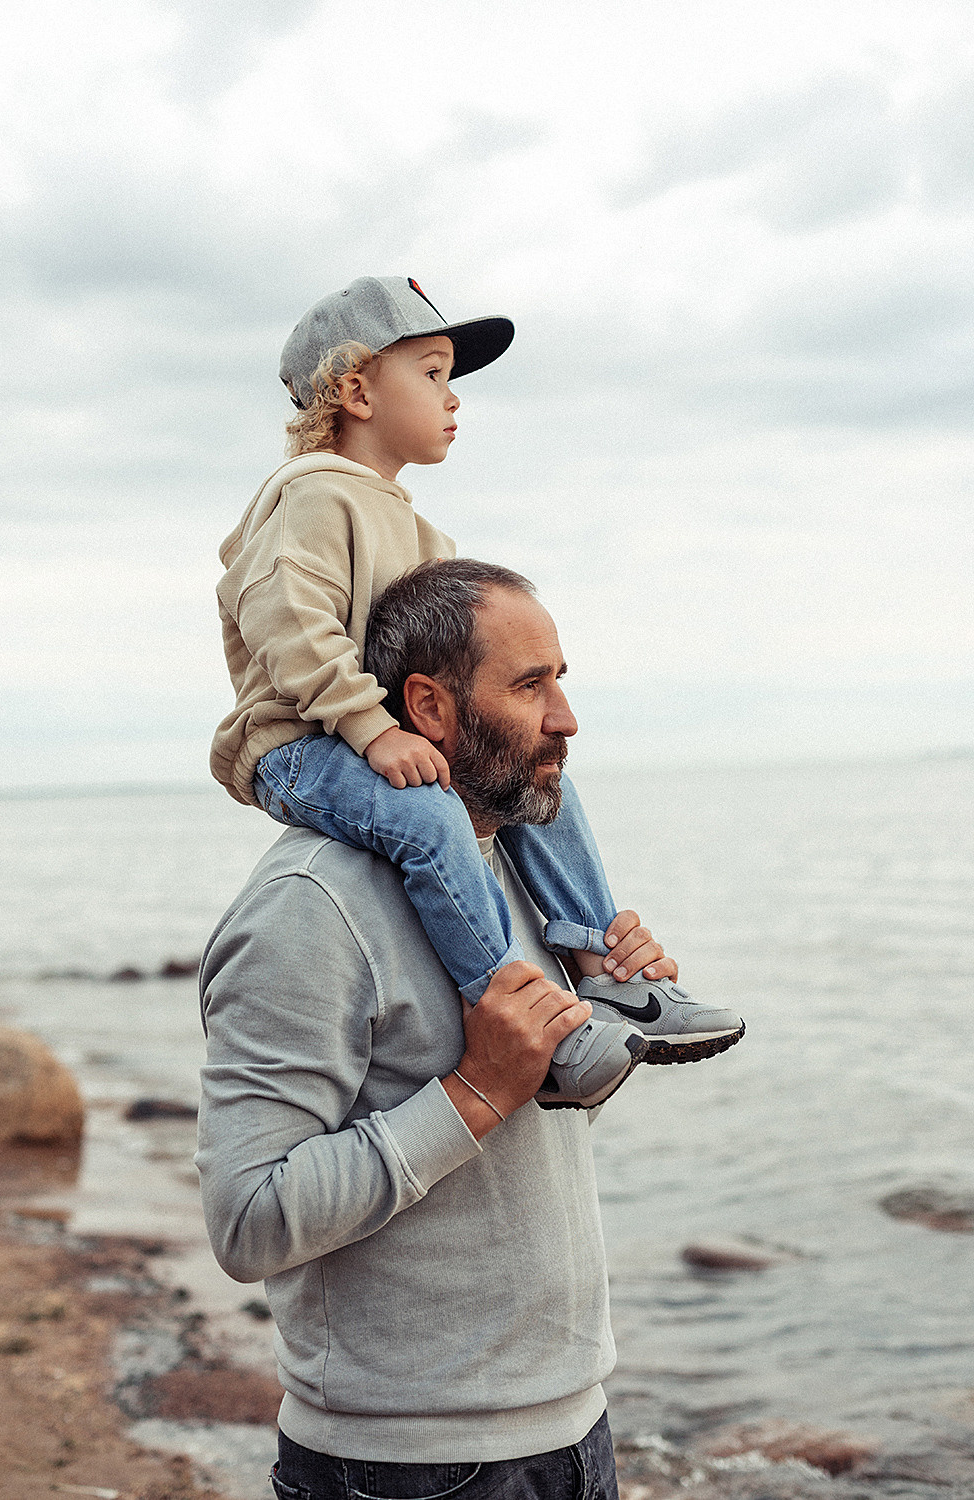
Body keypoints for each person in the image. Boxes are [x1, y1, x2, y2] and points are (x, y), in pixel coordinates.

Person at [199, 558, 715, 1498]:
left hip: (576, 1426)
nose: (565, 717)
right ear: (428, 709)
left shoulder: (511, 876)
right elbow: (247, 1223)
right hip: (401, 1465)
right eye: (530, 685)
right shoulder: (306, 906)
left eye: (562, 679)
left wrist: (600, 1022)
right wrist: (476, 1090)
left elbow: (533, 1116)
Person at [209, 275, 743, 1106]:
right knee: (428, 817)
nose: (453, 398)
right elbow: (287, 622)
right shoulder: (311, 496)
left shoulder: (419, 529)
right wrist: (369, 727)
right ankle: (526, 1024)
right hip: (301, 747)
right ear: (355, 389)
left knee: (537, 781)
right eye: (430, 373)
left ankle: (606, 972)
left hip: (384, 734)